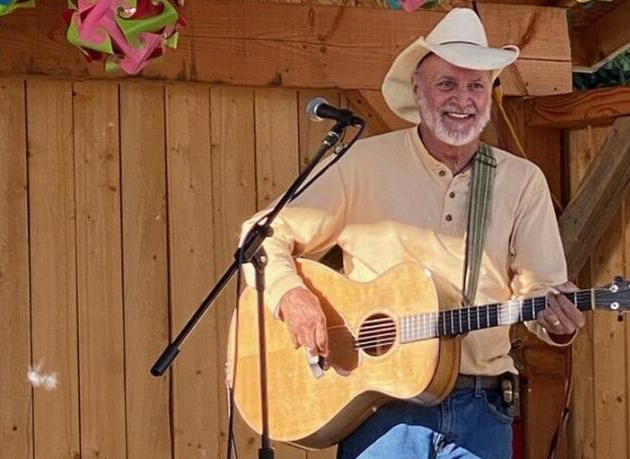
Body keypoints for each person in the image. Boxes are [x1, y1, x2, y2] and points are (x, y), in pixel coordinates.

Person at [231, 8, 585, 459]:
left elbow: (543, 290)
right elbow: (259, 238)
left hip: (483, 407)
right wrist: (291, 297)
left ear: (490, 95)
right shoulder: (360, 165)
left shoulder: (522, 181)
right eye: (447, 83)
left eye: (477, 85)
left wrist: (556, 320)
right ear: (418, 91)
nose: (463, 98)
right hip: (382, 413)